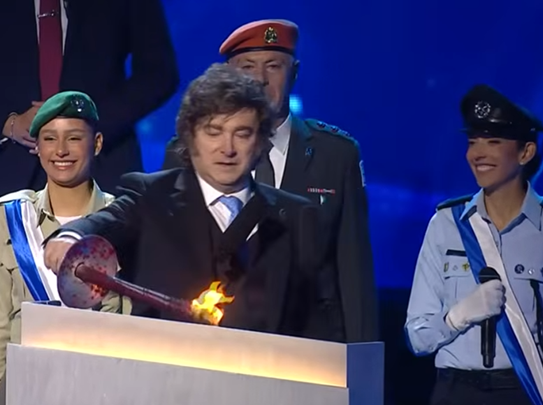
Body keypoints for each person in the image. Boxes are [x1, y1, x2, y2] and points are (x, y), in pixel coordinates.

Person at [43, 64, 344, 342]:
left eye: (242, 134)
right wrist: (70, 236)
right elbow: (107, 222)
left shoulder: (297, 217)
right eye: (214, 132)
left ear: (261, 142)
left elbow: (320, 325)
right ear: (190, 137)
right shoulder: (150, 197)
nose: (227, 148)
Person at [162, 19, 377, 343]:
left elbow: (353, 273)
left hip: (308, 345)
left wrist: (363, 363)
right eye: (248, 67)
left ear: (295, 72)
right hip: (211, 342)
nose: (260, 79)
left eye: (273, 66)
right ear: (229, 75)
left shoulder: (336, 155)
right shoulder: (186, 152)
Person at [405, 84, 543, 405]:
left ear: (526, 152)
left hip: (525, 390)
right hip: (455, 391)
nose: (477, 154)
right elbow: (417, 337)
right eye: (472, 142)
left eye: (493, 142)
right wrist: (458, 315)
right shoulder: (446, 224)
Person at [0, 91, 128, 381]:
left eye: (73, 138)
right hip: (23, 384)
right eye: (49, 139)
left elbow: (131, 321)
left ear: (97, 144)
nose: (60, 150)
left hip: (103, 383)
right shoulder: (11, 217)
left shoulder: (122, 219)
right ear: (37, 147)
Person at [0, 0, 179, 195]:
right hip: (10, 169)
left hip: (103, 167)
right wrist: (8, 123)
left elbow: (158, 73)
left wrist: (90, 120)